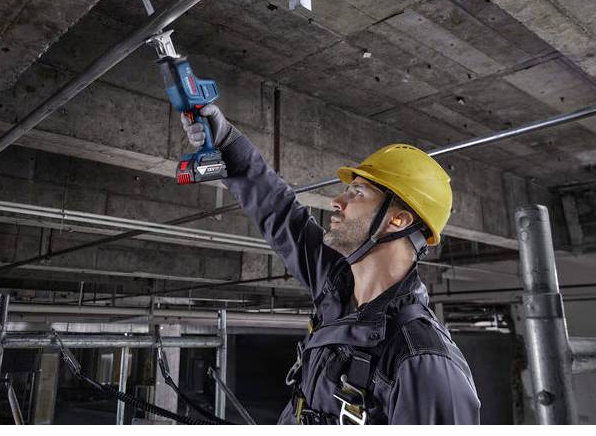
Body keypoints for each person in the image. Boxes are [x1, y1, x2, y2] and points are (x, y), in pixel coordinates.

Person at [181, 104, 480, 425]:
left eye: (357, 192)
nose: (337, 201)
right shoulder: (337, 284)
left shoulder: (422, 360)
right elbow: (281, 214)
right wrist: (227, 143)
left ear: (398, 219)